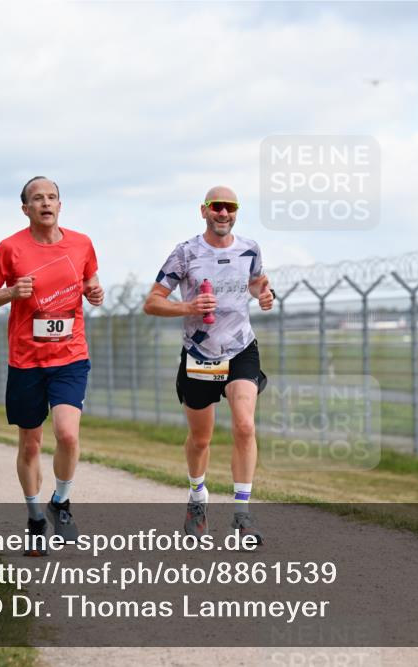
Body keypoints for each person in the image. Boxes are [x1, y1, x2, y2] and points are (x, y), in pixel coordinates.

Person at [0, 176, 104, 556]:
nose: (45, 203)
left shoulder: (81, 243)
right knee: (30, 443)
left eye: (52, 197)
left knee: (67, 435)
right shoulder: (9, 249)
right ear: (25, 208)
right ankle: (34, 518)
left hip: (70, 357)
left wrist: (95, 292)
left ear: (60, 205)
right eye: (37, 198)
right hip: (26, 361)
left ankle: (61, 503)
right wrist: (10, 292)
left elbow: (92, 284)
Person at [143, 186, 274, 544]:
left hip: (240, 349)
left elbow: (257, 281)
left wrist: (265, 294)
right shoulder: (185, 253)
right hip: (199, 354)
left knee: (245, 426)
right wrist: (189, 308)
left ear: (236, 212)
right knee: (201, 439)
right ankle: (198, 497)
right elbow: (152, 303)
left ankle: (242, 514)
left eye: (230, 207)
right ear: (204, 211)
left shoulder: (250, 248)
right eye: (216, 206)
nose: (223, 212)